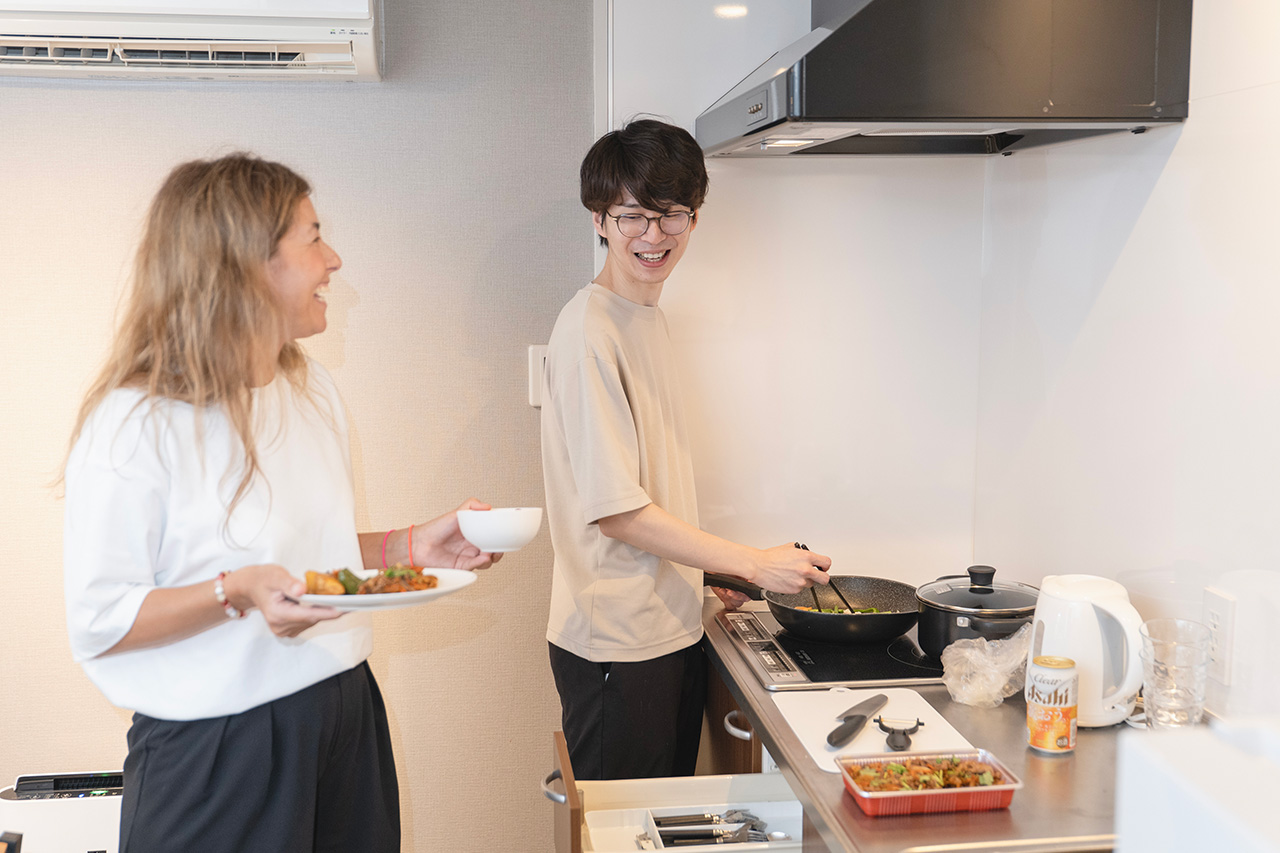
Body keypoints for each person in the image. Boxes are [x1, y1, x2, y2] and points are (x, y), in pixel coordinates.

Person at [61, 153, 500, 853]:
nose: (333, 258)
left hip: (342, 710)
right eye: (313, 235)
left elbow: (302, 556)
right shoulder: (133, 421)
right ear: (247, 263)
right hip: (218, 750)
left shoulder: (309, 389)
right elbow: (101, 619)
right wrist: (234, 591)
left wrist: (410, 546)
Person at [541, 119, 833, 781]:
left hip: (667, 628)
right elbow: (616, 512)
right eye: (634, 215)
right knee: (624, 833)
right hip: (618, 643)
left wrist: (704, 576)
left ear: (694, 219)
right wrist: (754, 564)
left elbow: (642, 490)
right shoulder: (589, 329)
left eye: (672, 214)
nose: (654, 235)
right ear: (599, 219)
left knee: (659, 825)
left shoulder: (645, 317)